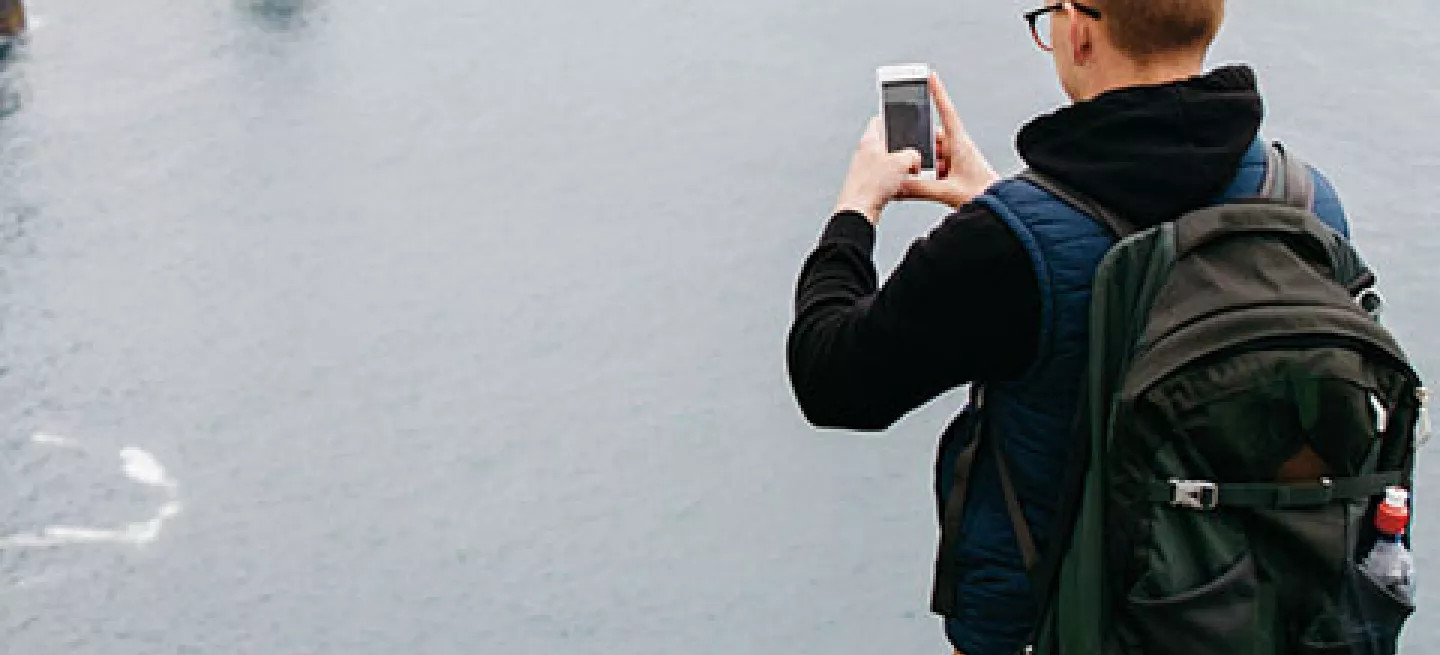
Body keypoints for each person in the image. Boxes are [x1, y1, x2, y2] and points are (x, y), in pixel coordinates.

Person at [785, 2, 1351, 654]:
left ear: (1081, 32)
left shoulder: (1005, 249)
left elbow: (831, 378)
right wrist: (1002, 204)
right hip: (1262, 621)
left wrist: (858, 206)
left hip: (1060, 631)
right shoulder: (1306, 203)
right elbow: (1151, 259)